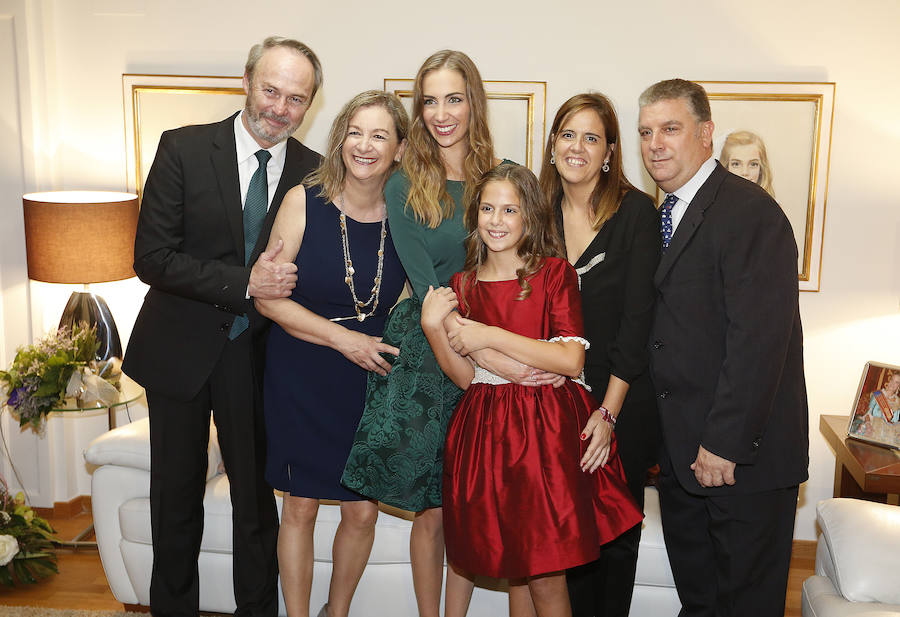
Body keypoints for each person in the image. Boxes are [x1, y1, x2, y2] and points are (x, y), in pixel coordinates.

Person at [122, 37, 322, 617]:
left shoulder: (314, 173)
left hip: (262, 361)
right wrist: (244, 284)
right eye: (271, 90)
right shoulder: (182, 148)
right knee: (176, 501)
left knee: (256, 507)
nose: (279, 108)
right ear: (246, 81)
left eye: (296, 99)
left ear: (309, 103)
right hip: (179, 353)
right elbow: (152, 258)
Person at [341, 50, 525, 617]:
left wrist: (510, 350)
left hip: (494, 337)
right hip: (430, 343)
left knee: (473, 498)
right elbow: (428, 288)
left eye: (454, 98)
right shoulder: (403, 184)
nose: (442, 113)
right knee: (434, 506)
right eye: (429, 101)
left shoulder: (500, 178)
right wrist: (479, 347)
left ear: (473, 102)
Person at [420, 162, 643, 617]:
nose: (496, 220)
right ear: (474, 215)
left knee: (544, 572)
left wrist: (488, 337)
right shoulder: (462, 286)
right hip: (485, 437)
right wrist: (433, 328)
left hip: (546, 436)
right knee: (514, 564)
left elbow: (569, 359)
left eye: (509, 210)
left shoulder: (554, 274)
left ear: (529, 218)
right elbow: (467, 378)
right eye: (487, 208)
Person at [638, 78, 809, 617]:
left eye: (670, 129)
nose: (655, 144)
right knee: (701, 603)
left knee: (744, 607)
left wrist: (724, 444)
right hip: (683, 461)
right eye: (645, 132)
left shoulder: (750, 213)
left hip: (739, 462)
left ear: (706, 133)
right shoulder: (661, 215)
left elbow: (759, 340)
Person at [254, 91, 408, 617]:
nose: (364, 146)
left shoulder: (408, 216)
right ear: (340, 137)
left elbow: (411, 302)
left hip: (370, 379)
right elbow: (269, 300)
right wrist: (345, 339)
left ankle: (334, 612)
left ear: (401, 150)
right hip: (302, 370)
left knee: (362, 512)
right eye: (355, 132)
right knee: (299, 506)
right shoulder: (304, 201)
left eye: (379, 135)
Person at [539, 93, 661, 617]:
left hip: (620, 402)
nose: (578, 147)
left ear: (610, 151)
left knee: (611, 542)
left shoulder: (635, 213)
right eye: (568, 134)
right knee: (562, 539)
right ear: (552, 145)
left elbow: (638, 327)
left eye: (592, 137)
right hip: (549, 402)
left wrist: (608, 414)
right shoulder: (535, 214)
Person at [719, 130, 775, 198]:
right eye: (736, 164)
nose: (745, 172)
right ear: (726, 168)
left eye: (753, 164)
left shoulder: (773, 206)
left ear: (761, 169)